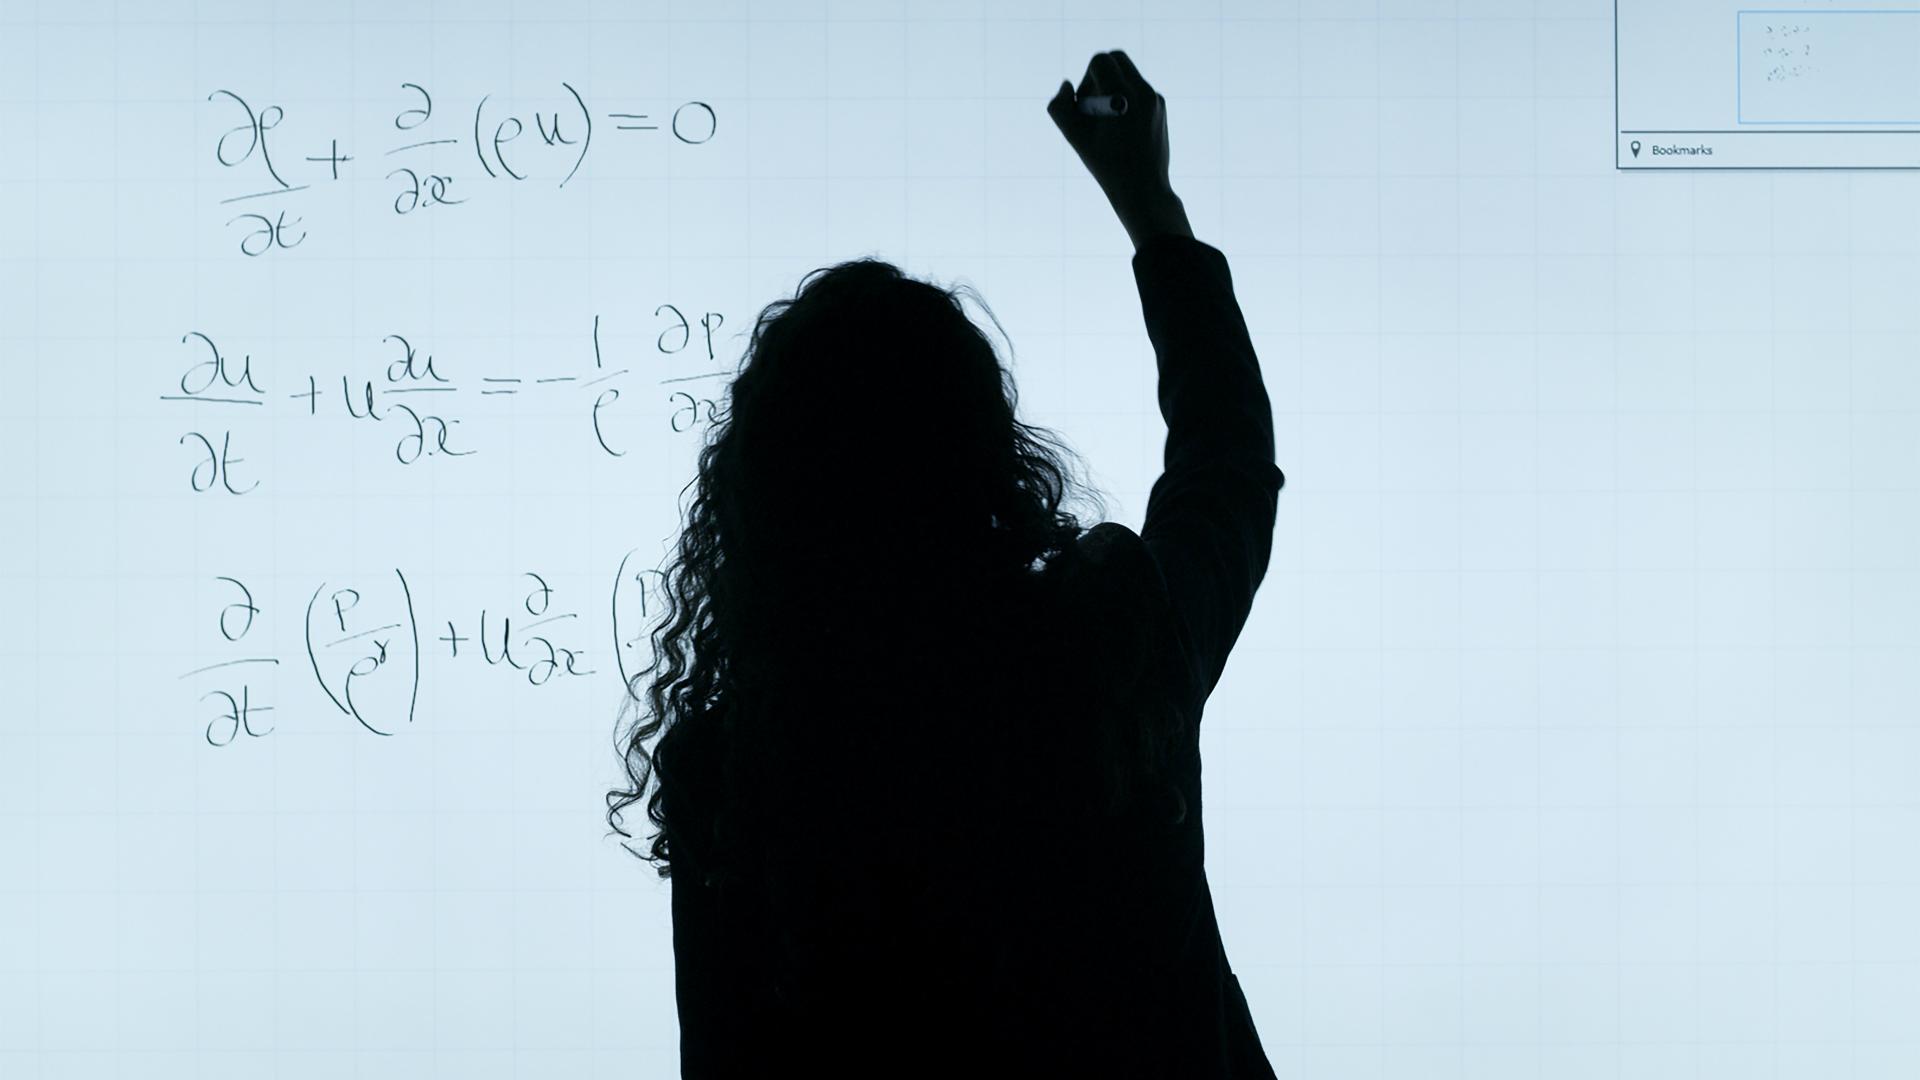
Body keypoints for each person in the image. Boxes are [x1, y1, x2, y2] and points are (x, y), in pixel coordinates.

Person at [607, 50, 1284, 1079]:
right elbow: (1226, 466)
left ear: (762, 504)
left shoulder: (732, 779)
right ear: (991, 461)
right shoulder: (1107, 651)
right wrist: (1151, 210)